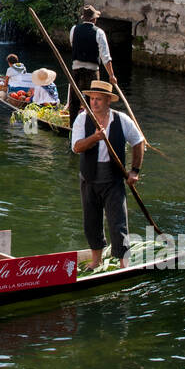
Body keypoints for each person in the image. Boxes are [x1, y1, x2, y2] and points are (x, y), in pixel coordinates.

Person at [71, 80, 144, 271]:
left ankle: (123, 262)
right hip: (89, 178)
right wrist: (95, 138)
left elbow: (139, 142)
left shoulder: (121, 120)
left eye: (98, 99)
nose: (94, 103)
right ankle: (97, 260)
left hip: (113, 178)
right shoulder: (82, 119)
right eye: (92, 99)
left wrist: (134, 171)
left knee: (117, 221)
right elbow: (77, 147)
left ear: (108, 101)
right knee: (91, 221)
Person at [68, 5, 117, 124]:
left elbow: (72, 44)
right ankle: (91, 125)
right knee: (93, 101)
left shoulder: (74, 29)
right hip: (92, 72)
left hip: (76, 70)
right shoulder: (99, 32)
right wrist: (111, 75)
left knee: (74, 101)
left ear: (84, 18)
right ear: (94, 19)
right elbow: (106, 57)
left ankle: (73, 126)